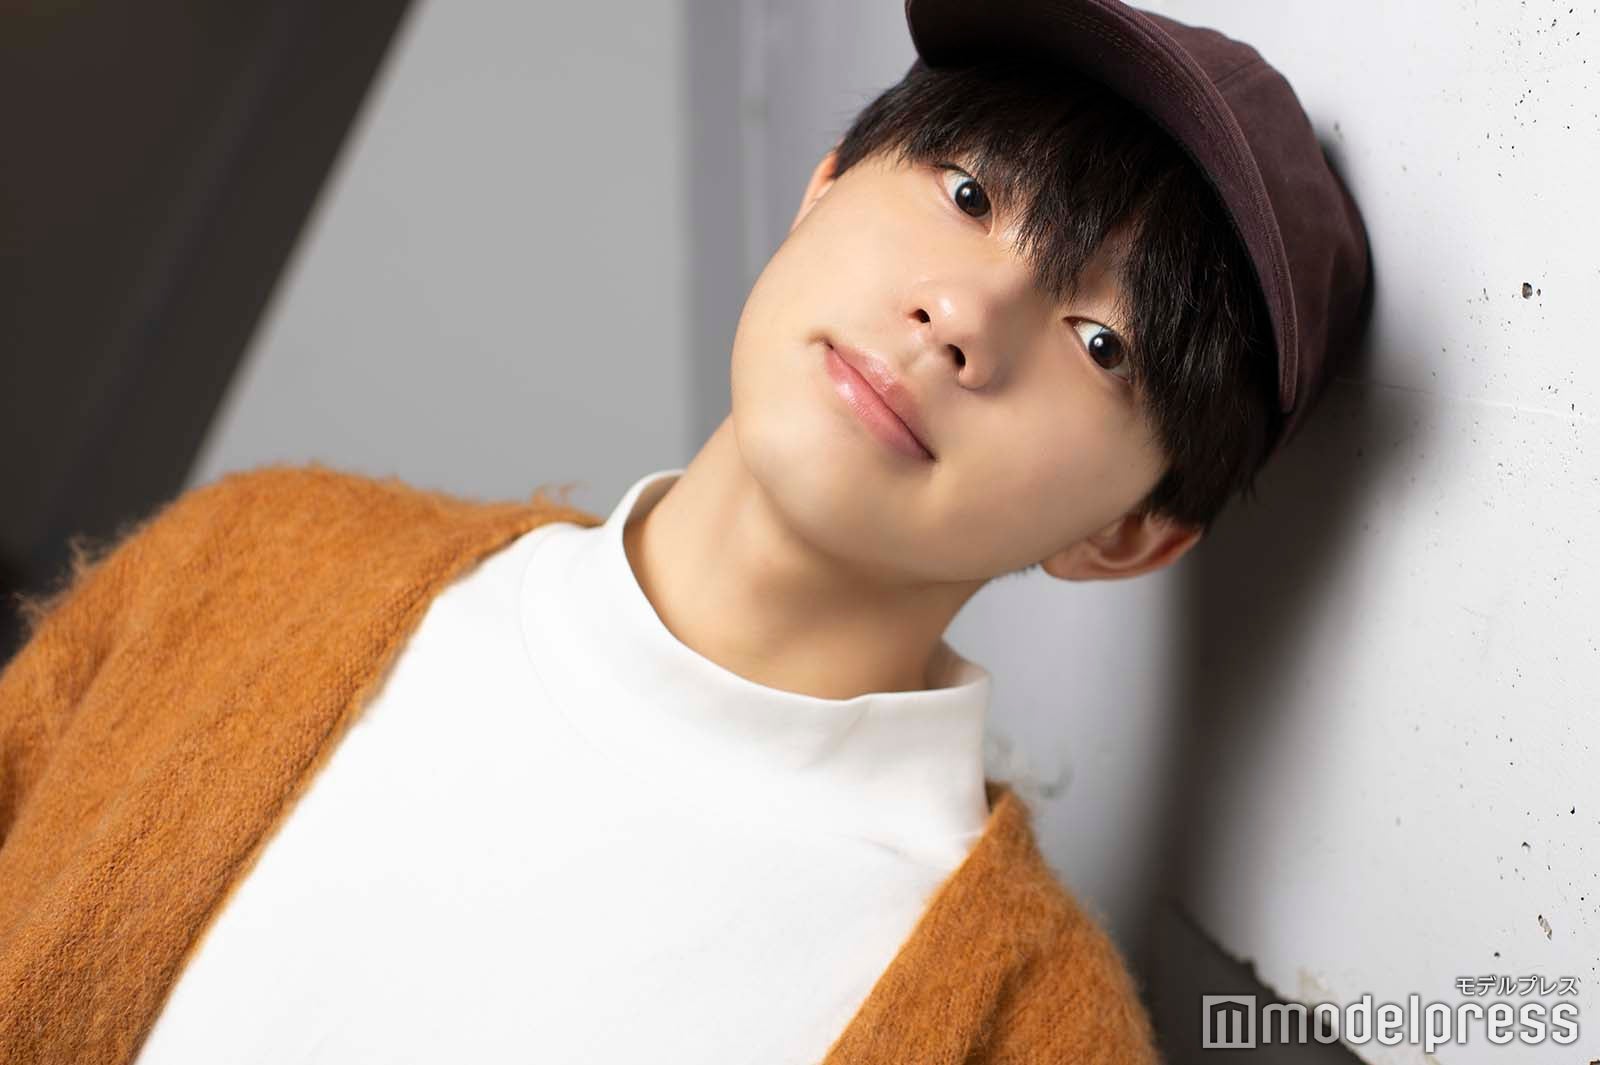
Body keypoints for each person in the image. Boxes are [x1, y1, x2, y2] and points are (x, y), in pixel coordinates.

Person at [0, 2, 1370, 1062]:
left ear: (1129, 536)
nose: (962, 316)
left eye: (1101, 340)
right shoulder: (255, 561)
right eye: (969, 194)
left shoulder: (1019, 1029)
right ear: (821, 193)